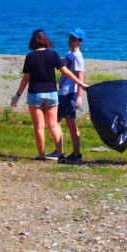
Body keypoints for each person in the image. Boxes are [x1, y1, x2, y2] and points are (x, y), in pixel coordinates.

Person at [11, 29, 88, 162]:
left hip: (35, 93)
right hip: (52, 93)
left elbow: (26, 78)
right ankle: (60, 155)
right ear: (46, 41)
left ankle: (41, 156)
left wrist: (18, 95)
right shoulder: (53, 55)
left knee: (39, 126)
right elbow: (67, 72)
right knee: (53, 125)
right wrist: (80, 84)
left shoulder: (30, 57)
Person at [57, 28, 86, 164]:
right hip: (64, 91)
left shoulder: (78, 56)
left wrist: (79, 96)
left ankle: (69, 152)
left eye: (74, 39)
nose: (71, 41)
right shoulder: (69, 53)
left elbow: (81, 76)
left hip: (70, 92)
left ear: (80, 42)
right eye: (70, 37)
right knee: (66, 121)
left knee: (62, 121)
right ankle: (73, 152)